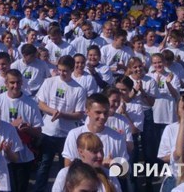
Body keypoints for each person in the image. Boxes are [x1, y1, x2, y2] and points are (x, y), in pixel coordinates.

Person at [34, 55, 86, 192]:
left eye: (65, 71)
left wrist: (62, 115)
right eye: (59, 70)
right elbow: (40, 103)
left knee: (64, 168)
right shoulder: (49, 82)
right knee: (44, 164)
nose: (62, 73)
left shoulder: (79, 89)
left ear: (72, 69)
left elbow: (79, 114)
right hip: (48, 131)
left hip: (66, 134)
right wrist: (53, 112)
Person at [52, 133, 122, 192]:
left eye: (101, 151)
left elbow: (128, 174)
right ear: (81, 152)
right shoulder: (66, 174)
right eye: (95, 152)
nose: (100, 155)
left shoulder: (109, 175)